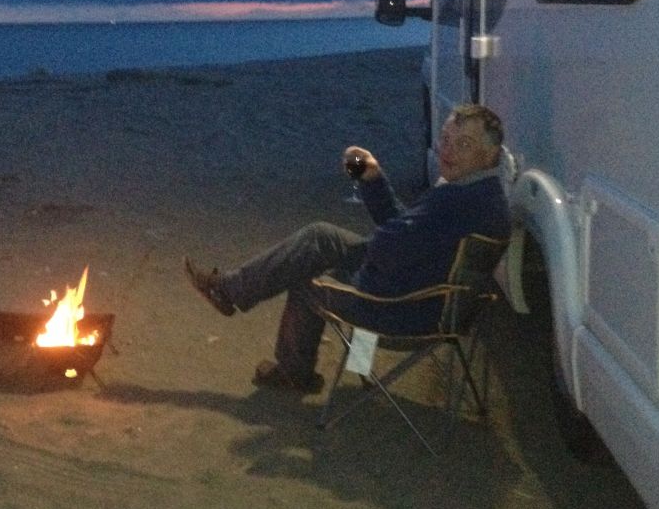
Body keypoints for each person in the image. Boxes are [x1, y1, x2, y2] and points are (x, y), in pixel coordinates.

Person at [184, 103, 511, 393]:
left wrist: (376, 243)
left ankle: (294, 374)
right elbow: (402, 233)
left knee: (307, 274)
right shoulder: (483, 194)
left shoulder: (455, 201)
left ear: (490, 155)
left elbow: (387, 245)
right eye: (446, 139)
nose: (447, 151)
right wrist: (372, 179)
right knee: (320, 237)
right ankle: (229, 290)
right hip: (428, 296)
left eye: (463, 144)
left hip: (400, 309)